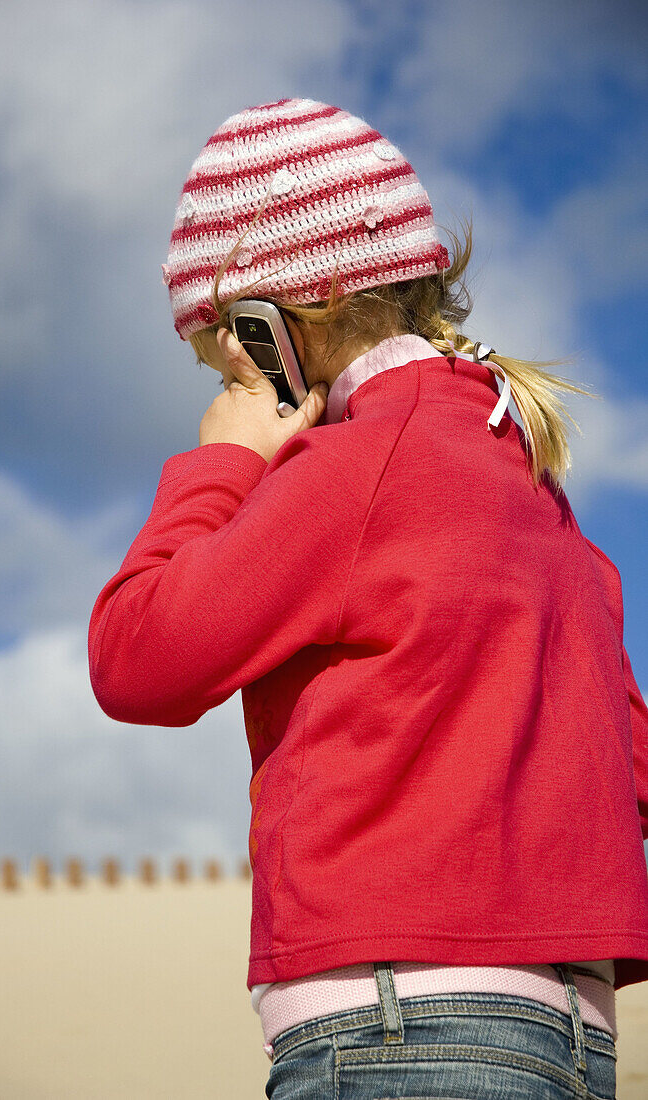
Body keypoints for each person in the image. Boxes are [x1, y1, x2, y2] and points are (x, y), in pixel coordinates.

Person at [88, 97, 648, 1099]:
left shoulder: (351, 469)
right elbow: (630, 763)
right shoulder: (529, 485)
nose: (215, 372)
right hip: (572, 1040)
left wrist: (222, 460)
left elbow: (136, 657)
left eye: (214, 345)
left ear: (268, 322)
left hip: (395, 1029)